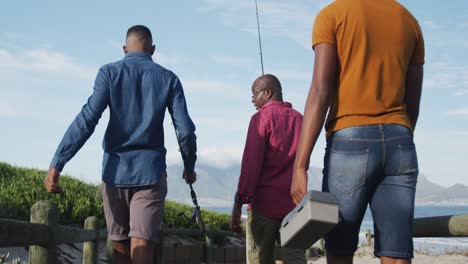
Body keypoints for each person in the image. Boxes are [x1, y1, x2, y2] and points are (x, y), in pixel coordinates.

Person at [44, 25, 197, 263]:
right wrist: (189, 165)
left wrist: (58, 163)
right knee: (142, 244)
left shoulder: (108, 73)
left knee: (120, 246)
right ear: (152, 50)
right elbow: (185, 130)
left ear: (124, 49)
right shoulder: (169, 79)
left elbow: (87, 120)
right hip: (150, 173)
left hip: (115, 173)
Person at [291, 0, 424, 264]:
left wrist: (300, 165)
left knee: (340, 250)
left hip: (349, 140)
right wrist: (398, 138)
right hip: (400, 138)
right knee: (397, 255)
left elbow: (321, 91)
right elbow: (413, 102)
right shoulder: (409, 22)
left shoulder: (332, 16)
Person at [230, 74, 305, 264]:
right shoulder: (301, 120)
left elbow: (250, 166)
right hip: (295, 204)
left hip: (264, 205)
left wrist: (238, 204)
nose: (253, 99)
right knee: (295, 258)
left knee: (259, 259)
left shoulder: (260, 118)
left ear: (268, 93)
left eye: (255, 94)